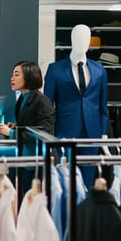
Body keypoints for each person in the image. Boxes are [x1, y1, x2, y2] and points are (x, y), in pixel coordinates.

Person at [44, 24, 109, 188]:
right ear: (72, 40)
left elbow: (102, 107)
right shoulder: (55, 69)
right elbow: (47, 107)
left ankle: (82, 213)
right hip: (64, 134)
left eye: (86, 39)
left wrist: (104, 135)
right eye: (79, 38)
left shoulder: (99, 69)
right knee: (66, 183)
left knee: (87, 184)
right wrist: (50, 137)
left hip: (92, 135)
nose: (83, 42)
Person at [0, 61, 55, 203]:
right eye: (12, 75)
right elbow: (29, 124)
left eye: (16, 74)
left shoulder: (42, 101)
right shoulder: (22, 98)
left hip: (37, 162)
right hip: (25, 159)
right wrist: (16, 127)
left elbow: (44, 131)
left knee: (35, 204)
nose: (12, 78)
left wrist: (11, 133)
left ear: (29, 76)